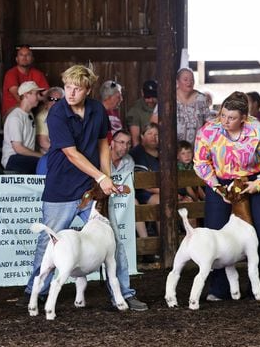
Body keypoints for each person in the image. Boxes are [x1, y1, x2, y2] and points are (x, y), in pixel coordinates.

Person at [24, 65, 119, 301]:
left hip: (90, 188)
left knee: (111, 237)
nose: (71, 93)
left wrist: (106, 178)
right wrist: (100, 177)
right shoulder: (57, 114)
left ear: (88, 90)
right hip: (62, 187)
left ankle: (123, 291)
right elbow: (71, 153)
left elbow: (103, 144)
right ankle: (36, 291)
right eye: (68, 87)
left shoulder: (97, 110)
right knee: (48, 240)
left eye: (77, 88)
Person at [194, 91, 260, 302]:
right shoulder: (208, 130)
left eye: (232, 117)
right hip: (221, 181)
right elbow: (200, 162)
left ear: (244, 118)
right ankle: (220, 288)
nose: (225, 121)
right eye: (223, 115)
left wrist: (259, 183)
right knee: (216, 231)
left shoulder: (257, 130)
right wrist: (217, 187)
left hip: (251, 181)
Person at [106, 129, 148, 311]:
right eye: (121, 142)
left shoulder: (128, 161)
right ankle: (39, 292)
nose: (124, 146)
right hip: (93, 204)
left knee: (117, 246)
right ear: (112, 143)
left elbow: (126, 188)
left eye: (127, 143)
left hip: (112, 206)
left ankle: (125, 293)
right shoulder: (101, 157)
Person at [150, 68, 210, 145]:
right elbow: (154, 121)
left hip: (197, 146)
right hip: (171, 146)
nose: (189, 82)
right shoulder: (168, 98)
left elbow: (209, 122)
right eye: (185, 79)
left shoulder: (201, 98)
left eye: (192, 80)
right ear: (177, 81)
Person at [1, 81, 43, 174]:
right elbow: (18, 148)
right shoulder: (15, 117)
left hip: (26, 158)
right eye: (36, 93)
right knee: (46, 162)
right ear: (26, 94)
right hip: (13, 158)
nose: (39, 97)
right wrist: (41, 156)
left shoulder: (30, 114)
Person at [1, 44, 49, 119]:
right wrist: (38, 97)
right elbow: (20, 97)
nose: (24, 57)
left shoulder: (38, 74)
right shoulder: (11, 74)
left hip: (33, 109)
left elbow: (47, 95)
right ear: (17, 59)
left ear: (32, 59)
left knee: (47, 111)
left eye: (28, 55)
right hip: (12, 111)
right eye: (21, 55)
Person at [130, 123, 160, 207]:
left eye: (156, 134)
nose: (153, 137)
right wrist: (167, 192)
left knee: (188, 204)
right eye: (149, 134)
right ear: (142, 136)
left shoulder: (163, 152)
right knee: (164, 203)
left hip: (163, 190)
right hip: (143, 193)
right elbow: (144, 184)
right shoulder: (137, 153)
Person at [126, 79, 158, 146]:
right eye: (148, 97)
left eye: (154, 97)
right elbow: (135, 141)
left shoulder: (162, 106)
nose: (151, 100)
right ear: (142, 93)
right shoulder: (135, 111)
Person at [35, 86, 64, 154]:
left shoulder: (65, 115)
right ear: (46, 100)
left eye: (57, 100)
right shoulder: (42, 117)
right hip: (49, 154)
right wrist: (63, 153)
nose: (53, 102)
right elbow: (43, 143)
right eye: (51, 99)